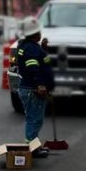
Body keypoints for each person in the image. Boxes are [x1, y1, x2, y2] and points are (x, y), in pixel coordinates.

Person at [15, 16, 54, 156]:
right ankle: (32, 148)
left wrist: (43, 49)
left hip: (27, 87)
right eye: (38, 32)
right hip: (33, 89)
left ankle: (34, 146)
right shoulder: (31, 49)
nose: (40, 33)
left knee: (34, 118)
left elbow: (37, 60)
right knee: (34, 120)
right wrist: (40, 85)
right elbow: (33, 68)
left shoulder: (27, 46)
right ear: (34, 34)